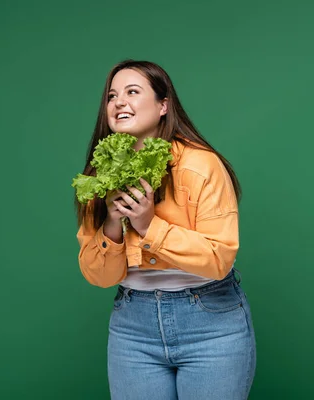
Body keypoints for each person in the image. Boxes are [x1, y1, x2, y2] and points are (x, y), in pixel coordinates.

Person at [74, 59, 256, 400]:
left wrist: (147, 225)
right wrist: (113, 225)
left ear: (163, 105)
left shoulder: (201, 164)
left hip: (211, 323)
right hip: (133, 326)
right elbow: (99, 275)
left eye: (132, 92)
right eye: (112, 96)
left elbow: (219, 259)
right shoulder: (99, 175)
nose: (118, 102)